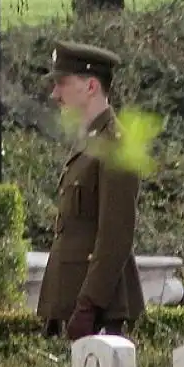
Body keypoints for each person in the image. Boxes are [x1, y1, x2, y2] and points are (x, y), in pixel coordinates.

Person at [36, 40, 145, 341]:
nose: (55, 94)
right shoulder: (89, 141)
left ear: (91, 86)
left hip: (100, 314)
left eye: (62, 83)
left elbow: (116, 236)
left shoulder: (116, 145)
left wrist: (88, 305)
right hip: (71, 306)